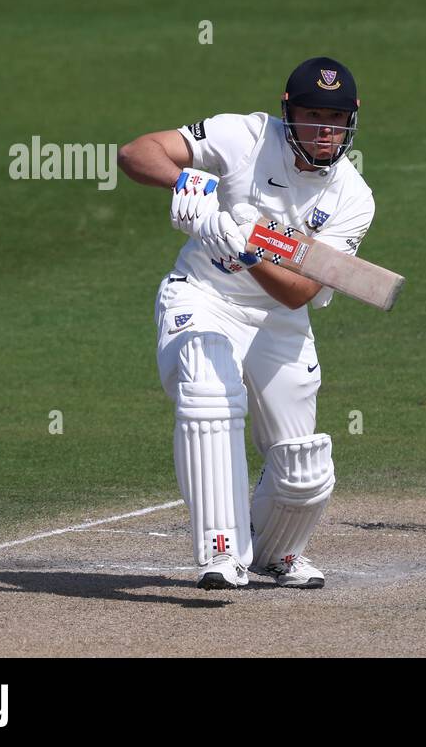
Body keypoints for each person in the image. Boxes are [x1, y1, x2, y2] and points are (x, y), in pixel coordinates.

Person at [117, 57, 374, 589]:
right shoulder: (244, 136)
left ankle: (274, 554)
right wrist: (188, 185)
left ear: (353, 119)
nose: (325, 131)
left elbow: (301, 290)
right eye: (311, 116)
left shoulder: (353, 197)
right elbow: (136, 152)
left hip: (280, 318)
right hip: (205, 296)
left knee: (303, 472)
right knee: (209, 393)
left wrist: (248, 248)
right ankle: (221, 553)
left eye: (335, 118)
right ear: (288, 112)